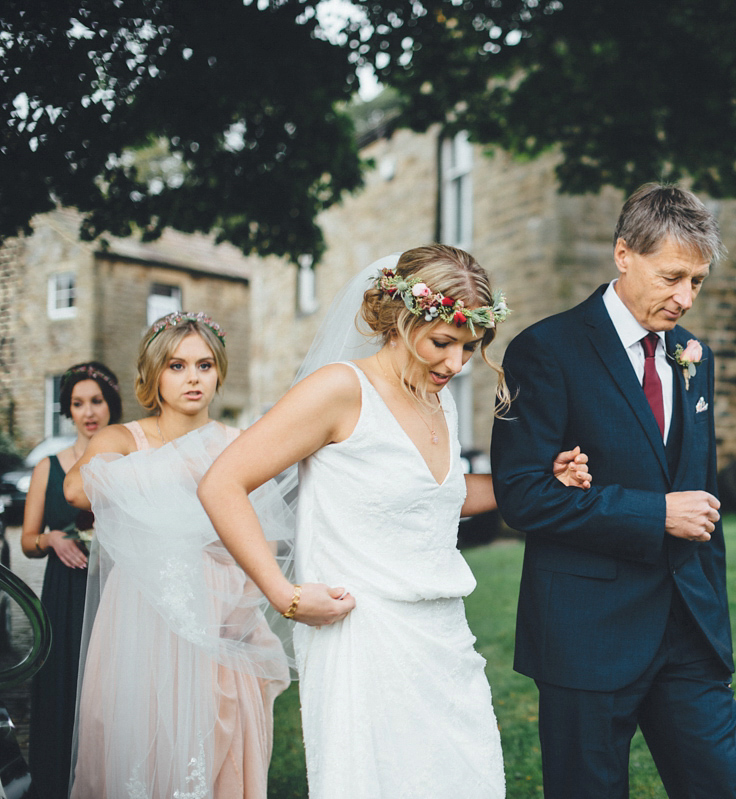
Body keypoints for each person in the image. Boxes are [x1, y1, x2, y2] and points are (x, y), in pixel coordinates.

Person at [197, 245, 590, 799]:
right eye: (442, 343)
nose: (456, 365)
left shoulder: (438, 401)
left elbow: (437, 498)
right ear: (400, 319)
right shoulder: (339, 390)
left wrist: (538, 481)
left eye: (468, 348)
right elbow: (221, 484)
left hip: (444, 635)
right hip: (363, 635)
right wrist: (283, 594)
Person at [491, 183, 736, 798]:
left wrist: (715, 629)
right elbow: (522, 495)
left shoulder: (695, 357)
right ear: (623, 254)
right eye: (672, 277)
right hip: (587, 634)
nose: (685, 298)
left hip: (689, 631)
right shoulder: (544, 350)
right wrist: (653, 514)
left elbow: (703, 501)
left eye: (698, 282)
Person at [63, 312, 294, 799]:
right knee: (142, 738)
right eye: (176, 365)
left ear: (219, 372)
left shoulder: (239, 444)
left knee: (220, 743)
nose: (193, 378)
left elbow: (262, 541)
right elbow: (78, 490)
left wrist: (238, 612)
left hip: (224, 613)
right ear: (153, 374)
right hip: (144, 616)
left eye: (205, 365)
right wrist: (176, 470)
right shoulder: (124, 439)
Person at [21, 362, 121, 799]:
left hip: (115, 595)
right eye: (78, 404)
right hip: (63, 595)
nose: (88, 412)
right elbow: (25, 541)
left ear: (110, 404)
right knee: (63, 685)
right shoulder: (48, 467)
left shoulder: (128, 460)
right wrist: (51, 539)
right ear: (68, 411)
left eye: (96, 401)